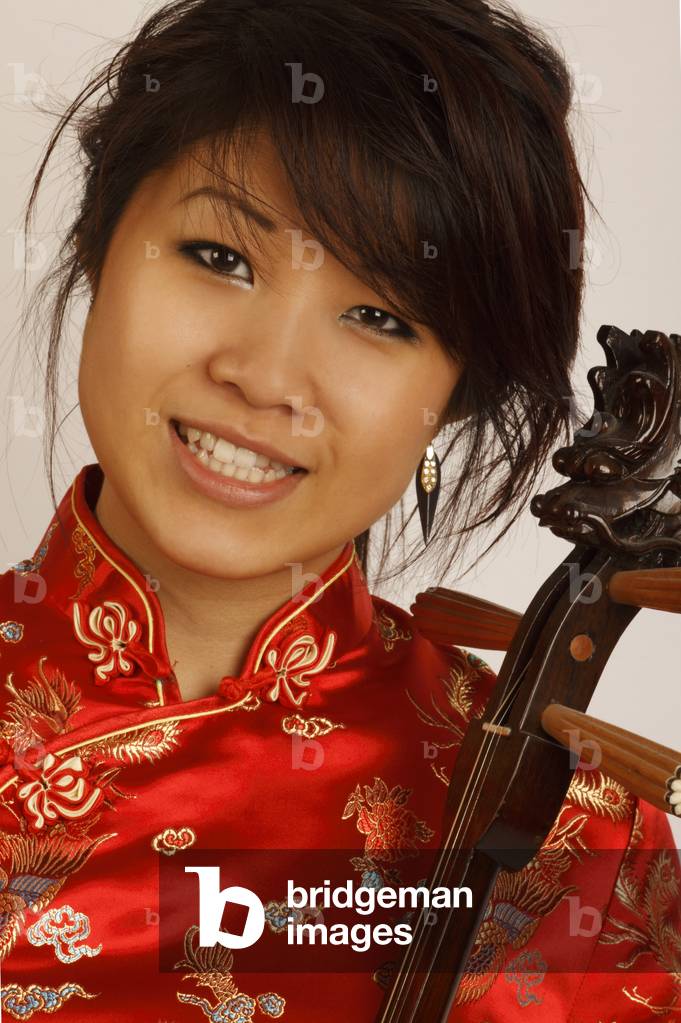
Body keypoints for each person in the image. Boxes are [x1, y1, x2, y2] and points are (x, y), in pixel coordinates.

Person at [0, 0, 678, 1019]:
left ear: (459, 389)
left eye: (380, 317)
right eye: (221, 256)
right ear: (100, 240)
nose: (269, 376)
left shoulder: (572, 839)